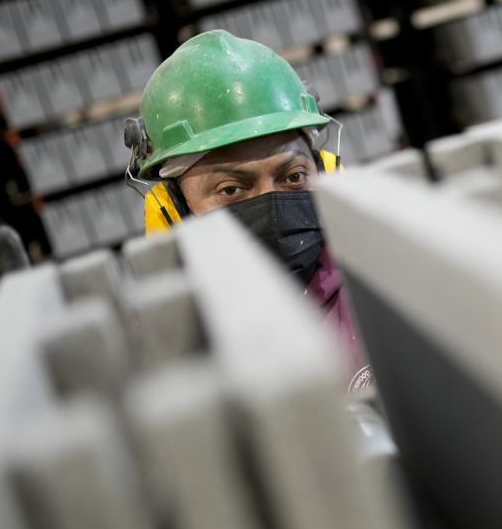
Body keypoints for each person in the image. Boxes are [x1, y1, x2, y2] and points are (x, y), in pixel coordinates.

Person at [124, 30, 373, 393]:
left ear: (327, 172)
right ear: (171, 211)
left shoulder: (383, 290)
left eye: (293, 176)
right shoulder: (159, 365)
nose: (270, 205)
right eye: (231, 189)